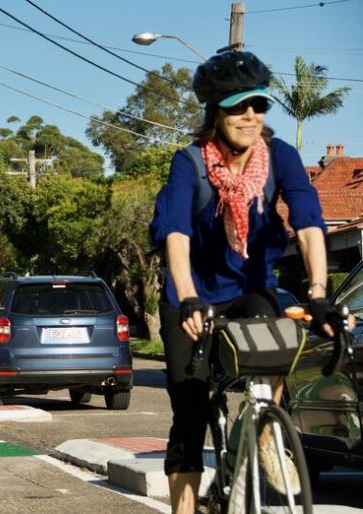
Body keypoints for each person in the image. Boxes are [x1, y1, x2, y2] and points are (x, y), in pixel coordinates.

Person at [149, 51, 338, 514]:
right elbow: (174, 232)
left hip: (249, 286)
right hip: (190, 297)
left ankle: (269, 434)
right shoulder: (190, 163)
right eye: (237, 106)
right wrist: (189, 298)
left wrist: (318, 293)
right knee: (190, 414)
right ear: (216, 112)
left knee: (272, 337)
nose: (250, 116)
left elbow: (310, 221)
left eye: (257, 105)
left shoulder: (281, 159)